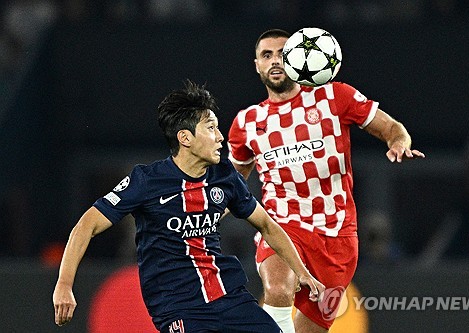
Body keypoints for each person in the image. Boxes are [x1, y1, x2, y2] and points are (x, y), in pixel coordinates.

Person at [52, 80, 325, 333]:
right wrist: (64, 284)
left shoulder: (225, 177)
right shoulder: (146, 181)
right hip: (178, 307)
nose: (221, 137)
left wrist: (302, 273)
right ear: (185, 138)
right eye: (211, 128)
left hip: (230, 297)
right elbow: (85, 226)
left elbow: (267, 225)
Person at [227, 29, 425, 333]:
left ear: (298, 57)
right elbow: (233, 184)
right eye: (267, 55)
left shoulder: (335, 96)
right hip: (282, 224)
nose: (275, 61)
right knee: (278, 289)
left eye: (282, 53)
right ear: (257, 65)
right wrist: (204, 211)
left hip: (337, 236)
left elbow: (392, 127)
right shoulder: (246, 123)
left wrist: (398, 142)